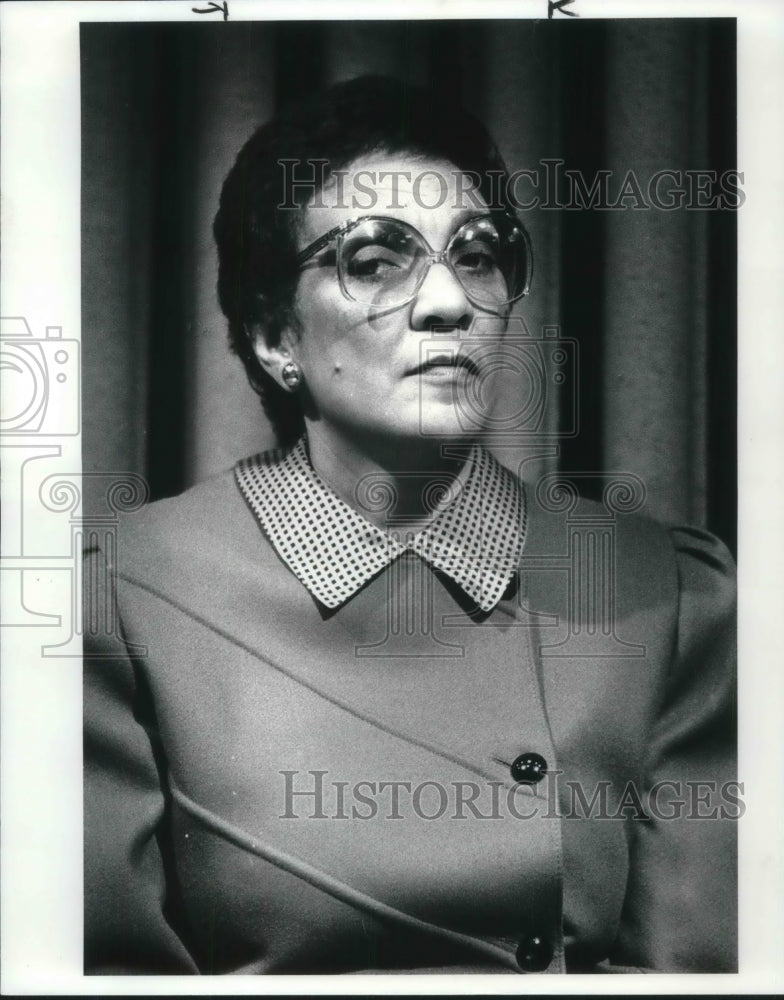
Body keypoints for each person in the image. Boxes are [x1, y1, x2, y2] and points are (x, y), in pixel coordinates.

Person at [83, 75, 737, 975]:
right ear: (276, 336)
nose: (448, 302)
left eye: (478, 254)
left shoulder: (666, 596)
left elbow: (706, 970)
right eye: (376, 259)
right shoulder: (123, 596)